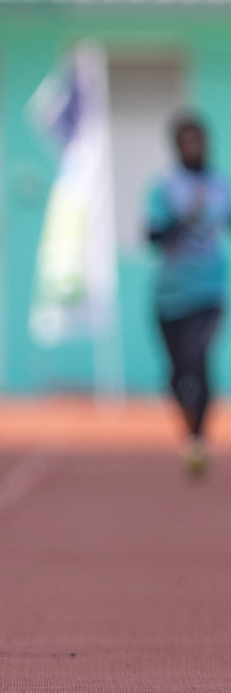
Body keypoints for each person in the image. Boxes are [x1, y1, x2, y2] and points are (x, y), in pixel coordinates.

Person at [146, 111, 230, 476]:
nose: (194, 147)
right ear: (177, 145)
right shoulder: (163, 187)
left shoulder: (221, 185)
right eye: (187, 140)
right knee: (177, 371)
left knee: (199, 355)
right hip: (169, 293)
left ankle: (198, 439)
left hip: (209, 288)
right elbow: (152, 237)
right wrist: (183, 220)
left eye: (199, 140)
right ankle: (188, 427)